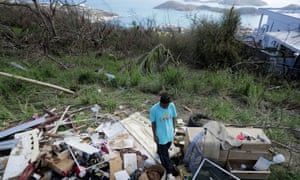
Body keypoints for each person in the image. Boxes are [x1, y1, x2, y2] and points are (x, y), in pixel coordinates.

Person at [149, 92, 179, 180]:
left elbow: (173, 117)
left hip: (169, 134)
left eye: (167, 105)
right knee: (165, 155)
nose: (166, 106)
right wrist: (155, 135)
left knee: (166, 148)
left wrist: (174, 127)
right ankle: (169, 172)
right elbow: (153, 123)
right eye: (164, 105)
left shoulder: (172, 106)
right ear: (160, 102)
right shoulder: (154, 109)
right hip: (161, 135)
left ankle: (158, 153)